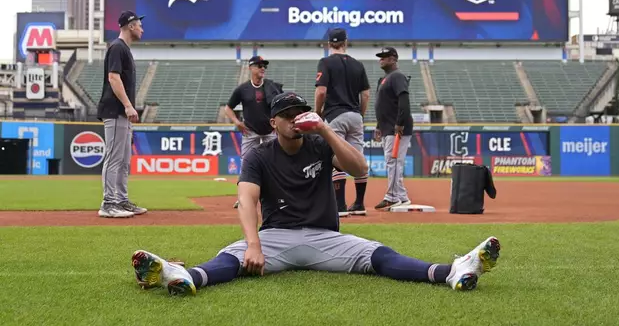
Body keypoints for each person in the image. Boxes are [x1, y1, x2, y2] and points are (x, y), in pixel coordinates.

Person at [131, 92, 501, 296]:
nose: (295, 119)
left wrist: (324, 130)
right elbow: (246, 200)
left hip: (326, 238)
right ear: (273, 122)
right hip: (275, 238)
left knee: (379, 255)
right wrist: (254, 245)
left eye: (300, 113)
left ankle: (452, 271)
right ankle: (180, 276)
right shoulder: (259, 155)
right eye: (287, 115)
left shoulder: (320, 143)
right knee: (233, 258)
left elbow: (359, 169)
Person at [96, 10, 148, 218]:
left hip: (122, 113)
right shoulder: (117, 47)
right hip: (116, 110)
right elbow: (113, 78)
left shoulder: (124, 49)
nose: (142, 28)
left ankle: (121, 200)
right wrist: (127, 105)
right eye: (139, 25)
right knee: (114, 157)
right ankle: (109, 203)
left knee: (124, 159)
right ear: (131, 26)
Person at [314, 28, 370, 217]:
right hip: (355, 114)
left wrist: (317, 113)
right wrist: (359, 114)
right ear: (346, 42)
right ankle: (360, 204)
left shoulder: (326, 62)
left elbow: (321, 91)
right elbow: (366, 94)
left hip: (335, 114)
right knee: (357, 158)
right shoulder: (358, 65)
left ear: (329, 44)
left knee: (336, 156)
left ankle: (340, 205)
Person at [225, 56, 284, 209]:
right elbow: (228, 108)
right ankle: (243, 197)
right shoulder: (243, 89)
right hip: (250, 132)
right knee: (246, 163)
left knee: (274, 162)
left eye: (264, 66)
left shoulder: (272, 87)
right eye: (259, 65)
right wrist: (237, 122)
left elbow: (281, 106)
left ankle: (276, 197)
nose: (262, 68)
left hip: (270, 131)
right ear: (251, 68)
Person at [373, 47, 414, 211]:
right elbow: (382, 105)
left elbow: (404, 100)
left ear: (393, 59)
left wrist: (400, 123)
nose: (381, 59)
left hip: (396, 127)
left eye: (385, 57)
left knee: (393, 161)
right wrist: (378, 125)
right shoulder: (385, 78)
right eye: (380, 57)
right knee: (393, 161)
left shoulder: (397, 76)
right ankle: (402, 196)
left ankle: (391, 197)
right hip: (387, 126)